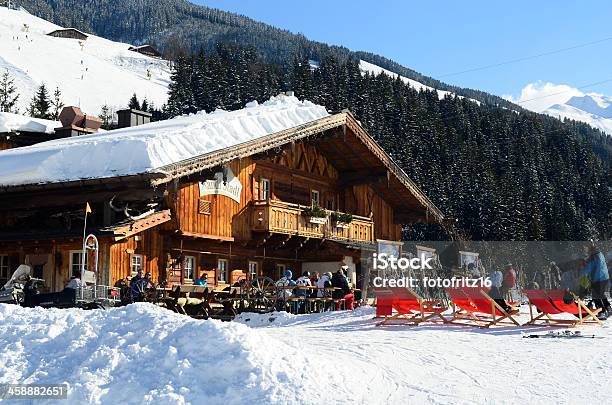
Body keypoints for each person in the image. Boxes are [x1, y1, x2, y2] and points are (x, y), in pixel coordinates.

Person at [580, 243, 610, 319]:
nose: (585, 250)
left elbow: (588, 268)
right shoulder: (599, 254)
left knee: (596, 296)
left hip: (598, 279)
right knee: (601, 294)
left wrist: (580, 271)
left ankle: (601, 312)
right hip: (604, 277)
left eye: (585, 248)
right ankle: (608, 307)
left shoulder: (593, 257)